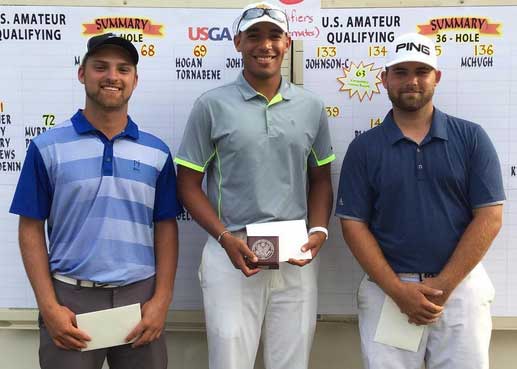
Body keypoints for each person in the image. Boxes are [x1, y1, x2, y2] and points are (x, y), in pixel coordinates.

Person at [174, 2, 335, 369]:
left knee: (291, 363)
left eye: (274, 36)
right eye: (254, 36)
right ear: (237, 43)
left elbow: (321, 178)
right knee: (230, 361)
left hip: (295, 253)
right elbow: (187, 184)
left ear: (288, 43)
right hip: (232, 248)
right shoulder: (211, 105)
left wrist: (320, 229)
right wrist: (223, 238)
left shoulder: (311, 106)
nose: (265, 45)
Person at [9, 33, 182, 369]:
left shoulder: (156, 152)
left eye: (123, 69)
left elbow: (166, 228)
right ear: (82, 74)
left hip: (139, 299)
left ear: (135, 79)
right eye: (100, 67)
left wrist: (162, 300)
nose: (112, 77)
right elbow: (30, 228)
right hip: (70, 302)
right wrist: (48, 306)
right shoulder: (47, 147)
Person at [336, 32, 505, 369]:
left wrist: (441, 286)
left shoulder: (471, 138)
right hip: (389, 293)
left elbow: (489, 217)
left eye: (421, 71)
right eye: (400, 72)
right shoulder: (364, 148)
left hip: (460, 291)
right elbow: (353, 224)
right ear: (384, 79)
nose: (411, 81)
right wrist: (399, 292)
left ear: (436, 77)